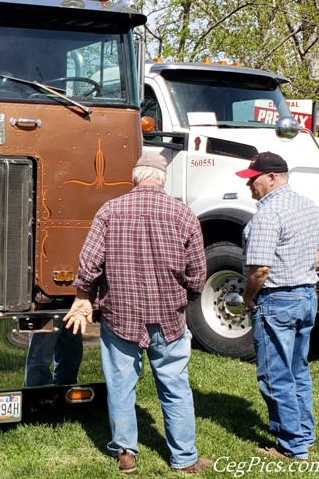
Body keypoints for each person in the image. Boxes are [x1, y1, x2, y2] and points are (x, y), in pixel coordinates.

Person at [63, 153, 211, 474]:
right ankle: (184, 458)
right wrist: (183, 299)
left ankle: (125, 452)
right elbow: (198, 275)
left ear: (134, 178)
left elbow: (89, 262)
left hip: (120, 315)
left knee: (120, 383)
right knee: (175, 386)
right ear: (162, 179)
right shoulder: (184, 214)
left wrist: (82, 297)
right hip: (169, 317)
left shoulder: (109, 211)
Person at [236, 151, 319, 460]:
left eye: (253, 180)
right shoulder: (309, 206)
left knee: (275, 374)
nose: (250, 187)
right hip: (306, 296)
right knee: (298, 368)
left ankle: (291, 445)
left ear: (272, 178)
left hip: (278, 299)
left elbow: (260, 269)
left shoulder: (267, 215)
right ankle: (305, 435)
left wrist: (248, 296)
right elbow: (318, 253)